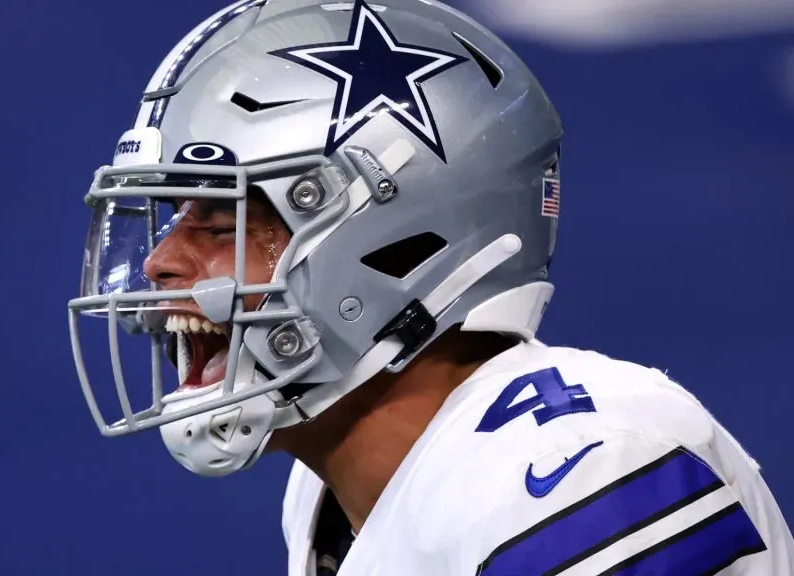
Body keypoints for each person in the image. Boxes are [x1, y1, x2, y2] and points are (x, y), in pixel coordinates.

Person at [66, 0, 794, 573]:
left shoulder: (575, 465)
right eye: (173, 216)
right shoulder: (331, 498)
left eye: (221, 223)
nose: (161, 260)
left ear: (391, 244)